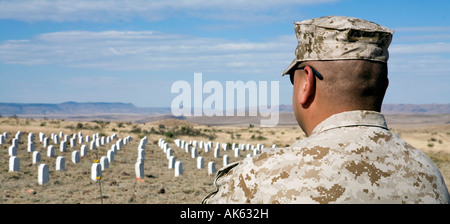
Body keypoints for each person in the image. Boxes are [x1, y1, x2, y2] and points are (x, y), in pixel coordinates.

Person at [202, 16, 450, 204]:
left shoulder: (254, 181)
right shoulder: (430, 176)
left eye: (293, 79)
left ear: (306, 83)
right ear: (384, 87)